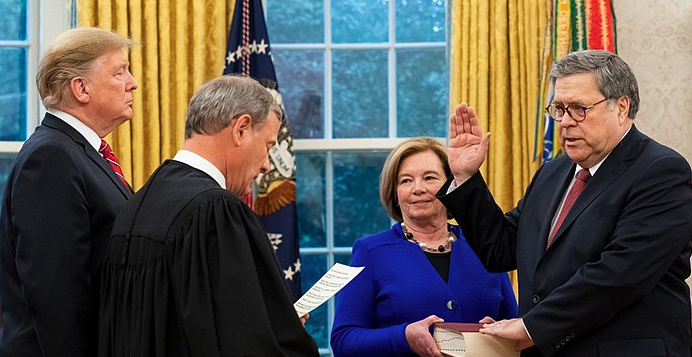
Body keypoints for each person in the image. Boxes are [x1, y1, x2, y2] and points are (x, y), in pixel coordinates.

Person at [437, 50, 692, 356]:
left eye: (579, 109)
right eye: (559, 109)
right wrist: (466, 178)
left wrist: (532, 327)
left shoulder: (661, 170)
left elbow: (621, 273)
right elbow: (501, 249)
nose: (565, 122)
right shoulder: (553, 172)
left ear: (621, 107)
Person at [98, 75, 319, 357]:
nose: (266, 165)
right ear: (241, 129)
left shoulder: (135, 205)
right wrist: (282, 330)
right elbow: (243, 342)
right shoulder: (216, 211)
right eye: (268, 146)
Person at [0, 27, 138, 356]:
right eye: (120, 71)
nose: (132, 82)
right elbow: (56, 295)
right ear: (81, 88)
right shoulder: (52, 157)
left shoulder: (80, 152)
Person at [330, 137, 518, 357]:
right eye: (406, 181)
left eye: (429, 178)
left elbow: (515, 325)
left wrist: (500, 330)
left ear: (450, 186)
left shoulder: (485, 244)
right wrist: (404, 336)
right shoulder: (370, 252)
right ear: (395, 192)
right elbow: (344, 341)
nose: (417, 188)